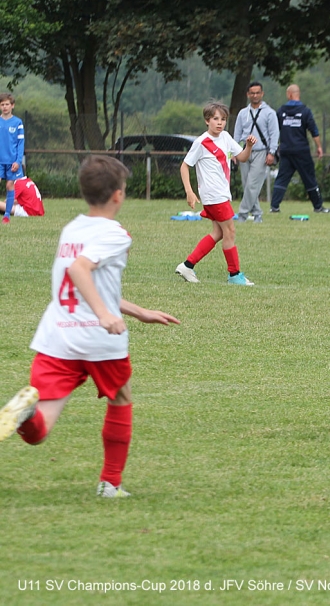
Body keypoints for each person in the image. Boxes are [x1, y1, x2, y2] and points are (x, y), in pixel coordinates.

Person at [0, 155, 179, 497]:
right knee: (121, 397)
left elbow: (85, 284)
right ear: (118, 195)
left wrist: (138, 311)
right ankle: (111, 483)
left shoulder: (71, 229)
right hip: (98, 338)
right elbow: (79, 271)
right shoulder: (116, 234)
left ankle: (26, 417)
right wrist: (104, 315)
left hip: (57, 336)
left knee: (41, 427)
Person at [174, 103, 256, 286]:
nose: (220, 123)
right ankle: (234, 274)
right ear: (207, 121)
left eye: (223, 119)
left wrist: (249, 146)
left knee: (219, 232)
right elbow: (184, 166)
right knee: (230, 231)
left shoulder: (225, 137)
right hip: (214, 195)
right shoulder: (201, 142)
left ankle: (187, 265)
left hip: (220, 194)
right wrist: (189, 191)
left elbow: (242, 157)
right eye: (215, 119)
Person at [270, 84, 330, 214]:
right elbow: (314, 131)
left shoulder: (281, 111)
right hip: (301, 150)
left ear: (289, 95)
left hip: (286, 150)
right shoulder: (305, 111)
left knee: (282, 178)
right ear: (298, 94)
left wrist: (273, 147)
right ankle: (318, 207)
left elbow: (274, 130)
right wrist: (319, 147)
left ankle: (274, 207)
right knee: (309, 178)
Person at [233, 81, 279, 223]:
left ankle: (242, 214)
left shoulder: (270, 113)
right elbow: (237, 133)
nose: (255, 95)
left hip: (261, 151)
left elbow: (274, 133)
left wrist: (271, 152)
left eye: (257, 93)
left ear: (262, 94)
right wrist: (233, 152)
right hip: (244, 150)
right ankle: (257, 214)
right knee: (247, 184)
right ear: (248, 94)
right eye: (252, 93)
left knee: (253, 184)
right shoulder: (243, 113)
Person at [0, 92, 25, 224]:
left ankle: (7, 215)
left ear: (12, 105)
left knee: (10, 185)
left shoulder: (18, 122)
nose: (5, 107)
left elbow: (20, 143)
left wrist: (18, 161)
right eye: (2, 104)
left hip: (12, 161)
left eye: (7, 104)